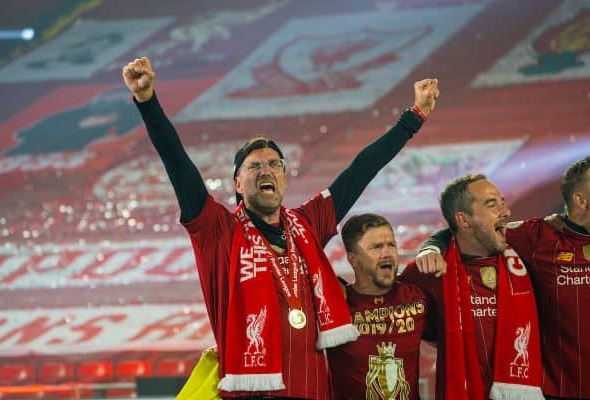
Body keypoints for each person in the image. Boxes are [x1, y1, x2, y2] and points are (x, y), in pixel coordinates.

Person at [122, 56, 439, 399]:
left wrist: (414, 117)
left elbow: (360, 171)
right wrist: (147, 100)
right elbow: (177, 162)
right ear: (238, 184)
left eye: (275, 164)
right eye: (254, 166)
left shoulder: (307, 224)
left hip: (313, 392)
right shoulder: (219, 232)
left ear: (285, 177)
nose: (266, 170)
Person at [417, 156, 590, 400]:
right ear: (581, 200)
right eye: (493, 203)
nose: (504, 210)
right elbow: (468, 230)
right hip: (560, 390)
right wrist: (432, 247)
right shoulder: (539, 236)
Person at [400, 174, 544, 400]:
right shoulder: (428, 270)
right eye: (491, 204)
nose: (506, 211)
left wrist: (431, 243)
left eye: (503, 201)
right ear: (464, 220)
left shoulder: (527, 251)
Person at [327, 214, 435, 400]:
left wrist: (434, 245)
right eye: (376, 247)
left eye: (391, 245)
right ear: (353, 260)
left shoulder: (416, 295)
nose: (387, 253)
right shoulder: (336, 304)